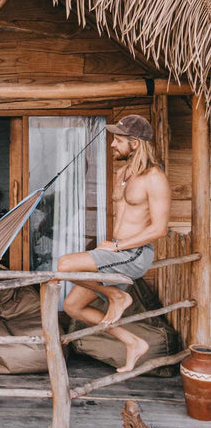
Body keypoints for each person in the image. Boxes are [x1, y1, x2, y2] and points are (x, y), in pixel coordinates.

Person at [57, 115, 171, 373]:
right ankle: (132, 342)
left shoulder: (155, 178)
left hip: (134, 254)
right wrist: (112, 245)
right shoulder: (123, 173)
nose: (112, 145)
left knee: (64, 264)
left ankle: (116, 296)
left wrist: (117, 247)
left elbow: (159, 229)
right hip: (118, 251)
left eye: (118, 140)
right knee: (72, 306)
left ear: (135, 143)